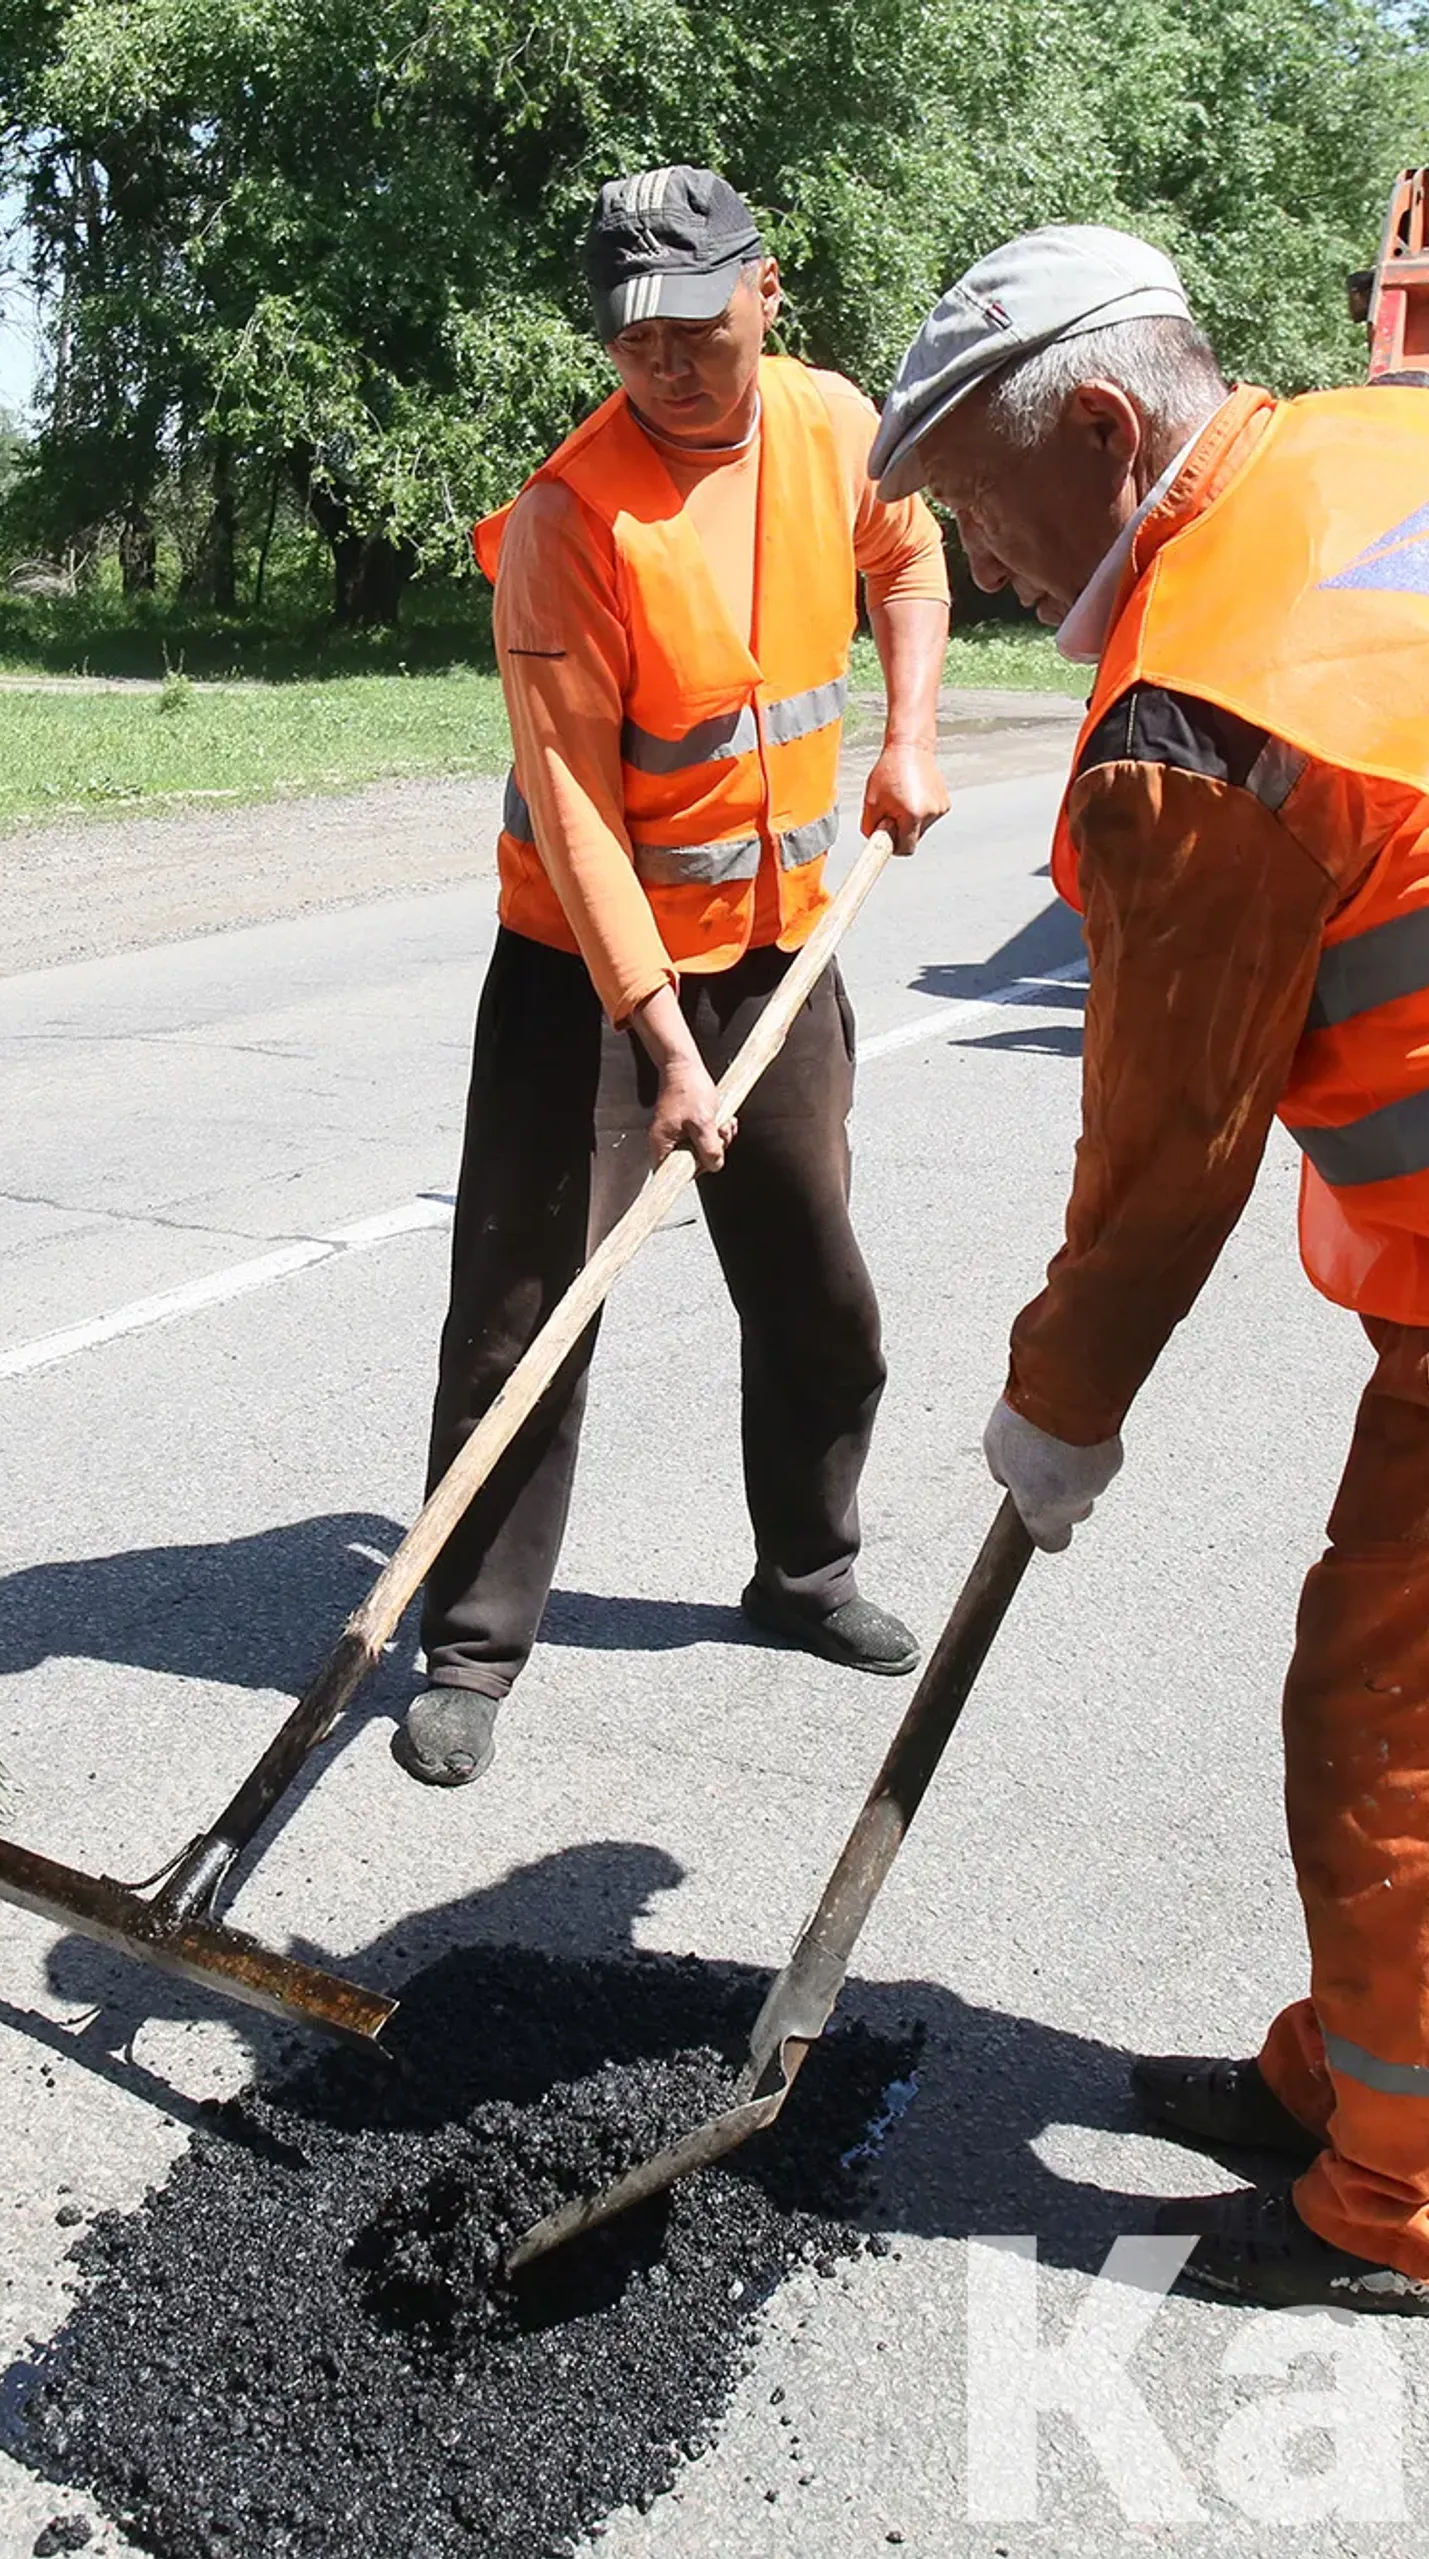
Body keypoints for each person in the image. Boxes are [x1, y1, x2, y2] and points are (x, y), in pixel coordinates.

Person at [871, 228, 1429, 2315]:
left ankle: (1422, 2199)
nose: (989, 572)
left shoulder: (1200, 735)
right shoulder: (1394, 439)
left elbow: (1162, 1170)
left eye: (989, 518)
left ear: (1106, 431)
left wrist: (1053, 1415)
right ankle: (1353, 2067)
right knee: (1384, 1666)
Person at [398, 167, 952, 1789]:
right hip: (585, 975)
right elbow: (569, 804)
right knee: (525, 1312)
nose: (669, 368)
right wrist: (658, 1040)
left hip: (781, 945)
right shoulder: (571, 517)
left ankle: (806, 1572)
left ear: (765, 294)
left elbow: (907, 559)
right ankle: (472, 1646)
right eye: (636, 343)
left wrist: (910, 732)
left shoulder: (841, 423)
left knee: (815, 1285)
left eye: (700, 333)